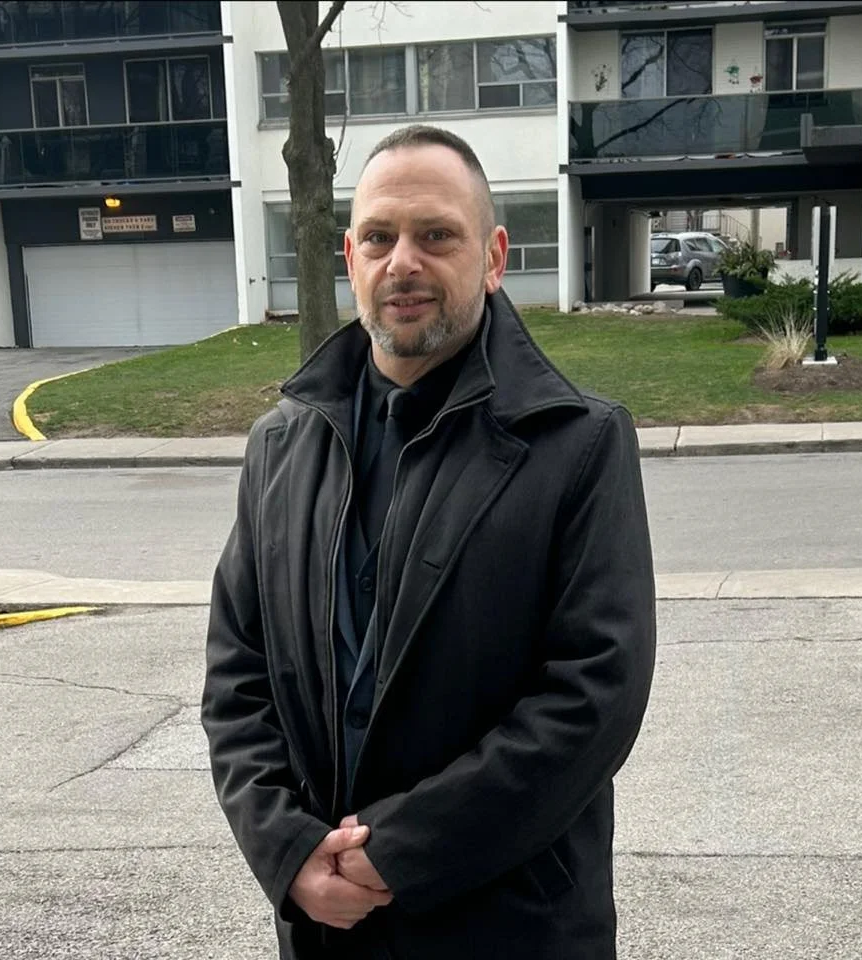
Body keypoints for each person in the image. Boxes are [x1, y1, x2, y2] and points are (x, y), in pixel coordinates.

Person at [202, 124, 657, 960]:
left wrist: (396, 855)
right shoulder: (280, 445)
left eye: (436, 234)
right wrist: (288, 852)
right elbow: (238, 679)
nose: (402, 261)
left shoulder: (577, 443)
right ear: (350, 257)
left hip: (509, 927)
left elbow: (593, 698)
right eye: (379, 236)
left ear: (492, 256)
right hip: (328, 928)